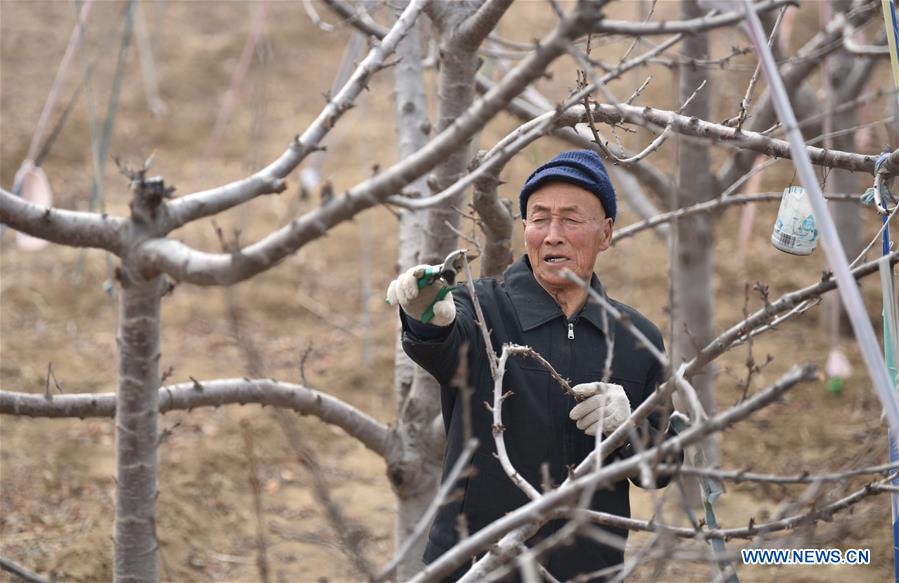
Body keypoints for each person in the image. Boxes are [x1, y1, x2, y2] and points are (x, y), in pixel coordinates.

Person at [386, 150, 679, 580]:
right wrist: (426, 316)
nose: (552, 235)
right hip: (476, 567)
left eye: (571, 220)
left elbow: (662, 469)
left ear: (606, 233)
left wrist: (631, 430)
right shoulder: (481, 311)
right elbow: (441, 342)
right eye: (539, 219)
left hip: (587, 571)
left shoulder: (637, 339)